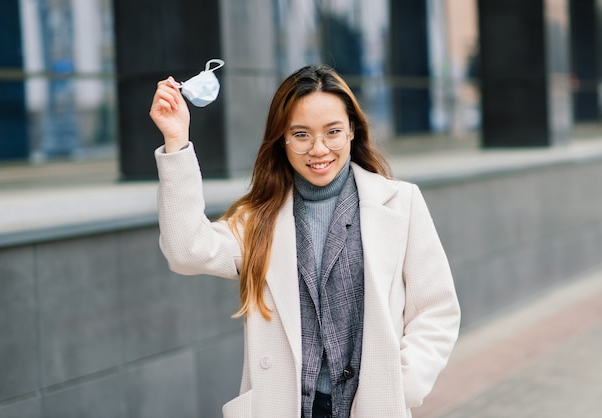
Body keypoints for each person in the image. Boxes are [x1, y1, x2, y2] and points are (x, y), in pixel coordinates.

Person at [150, 64, 460, 418]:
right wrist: (176, 142)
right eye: (301, 135)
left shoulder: (400, 203)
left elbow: (436, 310)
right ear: (281, 139)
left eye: (333, 132)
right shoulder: (259, 219)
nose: (319, 149)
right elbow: (186, 251)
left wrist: (400, 383)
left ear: (352, 132)